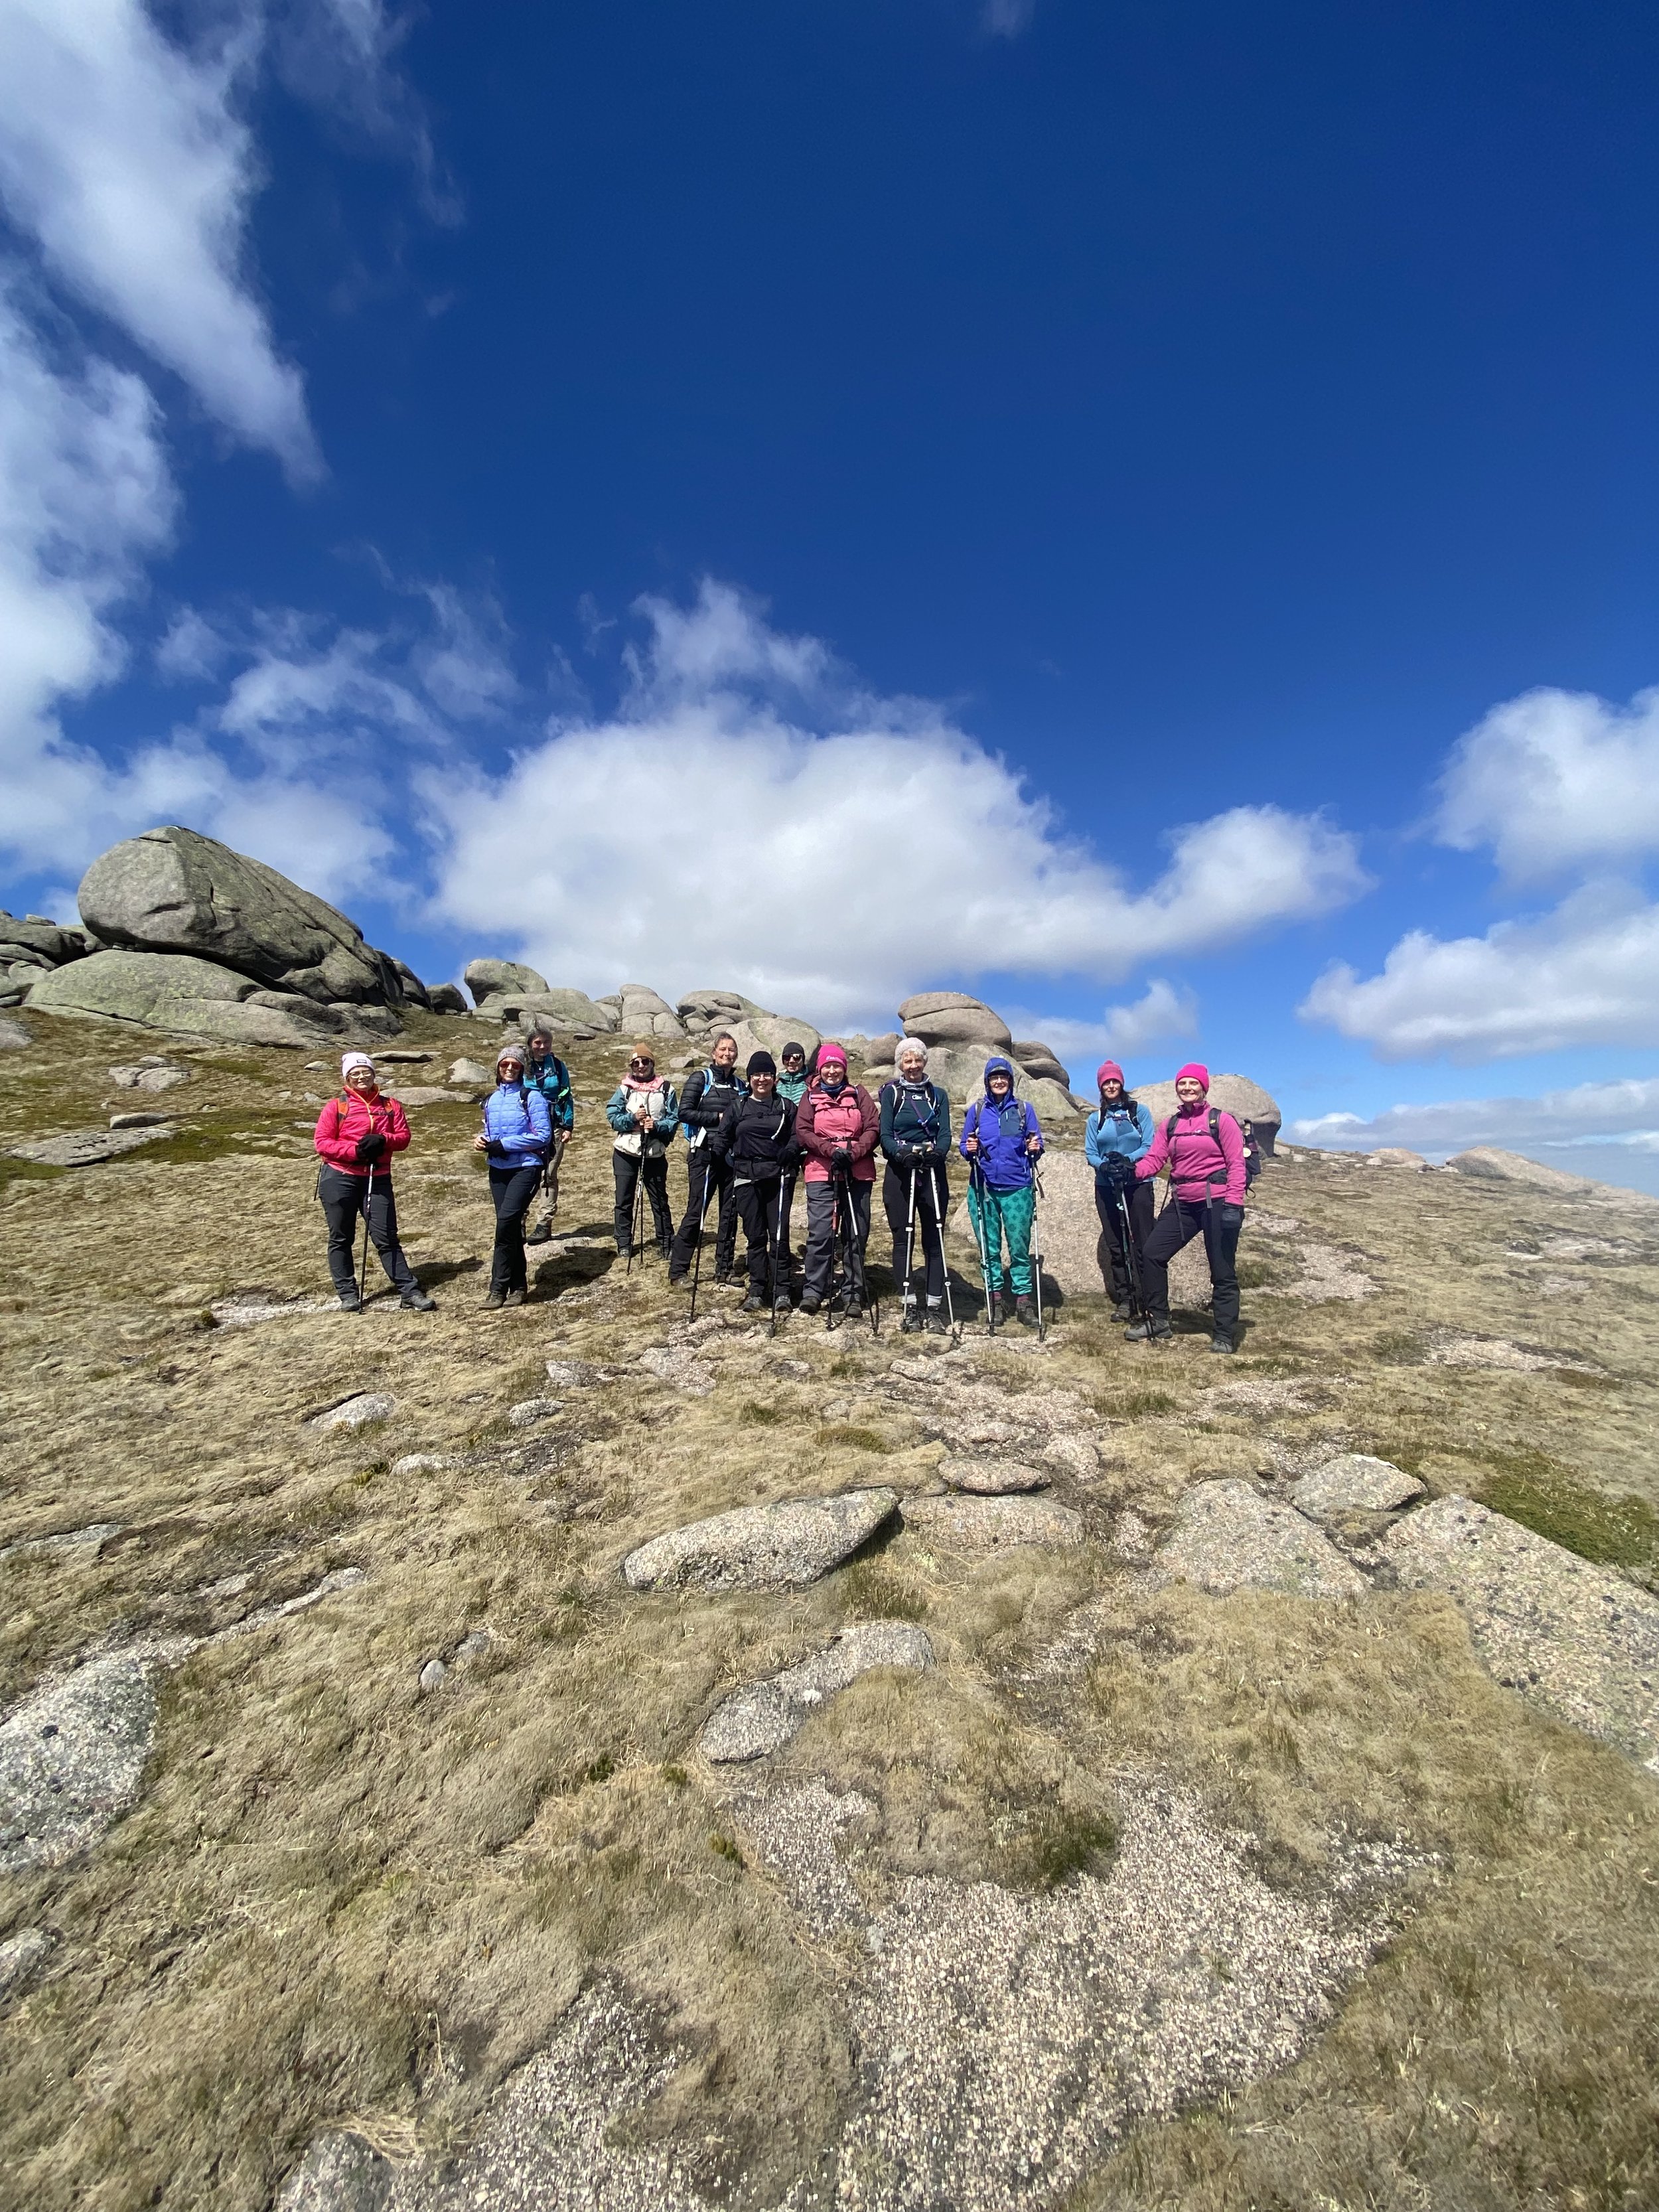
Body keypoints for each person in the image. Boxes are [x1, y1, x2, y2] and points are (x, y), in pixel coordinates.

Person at [1129, 1062, 1246, 1353]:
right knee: (1153, 1253)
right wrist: (1130, 1171)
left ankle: (1224, 1334)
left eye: (1194, 1083)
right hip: (1183, 1202)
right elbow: (1155, 1160)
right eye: (1183, 1084)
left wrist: (1234, 1203)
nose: (1188, 1088)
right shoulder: (1170, 1124)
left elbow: (1236, 1164)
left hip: (1217, 1202)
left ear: (1204, 1088)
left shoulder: (1222, 1121)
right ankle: (1159, 1320)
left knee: (1222, 1269)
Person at [313, 1051, 435, 1312]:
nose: (361, 1076)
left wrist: (383, 1140)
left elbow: (403, 1138)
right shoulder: (337, 1106)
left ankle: (409, 1292)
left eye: (365, 1071)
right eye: (355, 1073)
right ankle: (348, 1294)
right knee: (341, 1237)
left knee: (387, 1237)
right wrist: (354, 1152)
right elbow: (322, 1143)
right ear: (347, 1078)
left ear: (373, 1074)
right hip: (339, 1177)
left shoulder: (391, 1106)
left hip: (376, 1178)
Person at [794, 1039, 879, 1315]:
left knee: (856, 1232)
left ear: (844, 1069)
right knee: (821, 1232)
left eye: (837, 1066)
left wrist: (853, 1153)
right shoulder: (809, 1097)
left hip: (858, 1172)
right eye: (827, 1066)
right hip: (822, 1171)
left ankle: (853, 1292)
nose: (832, 1071)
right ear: (820, 1069)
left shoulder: (859, 1094)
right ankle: (814, 1290)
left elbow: (873, 1128)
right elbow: (804, 1131)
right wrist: (831, 1150)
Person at [711, 1051, 800, 1313]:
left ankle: (782, 1290)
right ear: (749, 1078)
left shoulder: (786, 1107)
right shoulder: (738, 1107)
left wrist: (791, 1150)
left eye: (767, 1075)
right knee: (755, 1236)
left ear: (774, 1078)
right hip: (747, 1178)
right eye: (757, 1075)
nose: (762, 1079)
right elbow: (724, 1136)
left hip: (779, 1177)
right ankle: (758, 1289)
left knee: (780, 1236)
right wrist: (716, 1153)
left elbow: (798, 1135)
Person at [960, 1055, 1044, 1327]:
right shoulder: (977, 1110)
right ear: (987, 1082)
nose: (999, 1081)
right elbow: (964, 1144)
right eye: (994, 1077)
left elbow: (1036, 1140)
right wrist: (968, 1149)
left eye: (1003, 1077)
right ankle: (995, 1300)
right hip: (982, 1187)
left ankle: (1023, 1301)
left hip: (1017, 1186)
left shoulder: (1023, 1109)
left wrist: (1036, 1147)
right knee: (989, 1247)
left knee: (1019, 1248)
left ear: (1010, 1080)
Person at [879, 1037, 953, 1333]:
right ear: (900, 1064)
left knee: (934, 1240)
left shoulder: (939, 1095)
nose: (913, 1066)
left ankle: (934, 1307)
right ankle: (909, 1306)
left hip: (932, 1173)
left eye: (917, 1060)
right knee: (903, 1239)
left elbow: (946, 1133)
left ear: (925, 1061)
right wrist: (900, 1154)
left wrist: (938, 1153)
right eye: (907, 1061)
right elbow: (885, 1135)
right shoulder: (891, 1094)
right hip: (900, 1172)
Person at [472, 1044, 553, 1307]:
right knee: (509, 1227)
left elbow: (543, 1136)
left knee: (506, 1223)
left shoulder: (532, 1097)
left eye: (515, 1065)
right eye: (505, 1065)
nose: (509, 1069)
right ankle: (518, 1287)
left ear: (522, 1070)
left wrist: (505, 1145)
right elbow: (490, 1131)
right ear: (497, 1067)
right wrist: (483, 1141)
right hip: (498, 1169)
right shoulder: (490, 1100)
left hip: (526, 1167)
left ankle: (497, 1288)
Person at [668, 1031, 745, 1283]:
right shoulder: (700, 1078)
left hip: (732, 1157)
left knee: (730, 1213)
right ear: (714, 1053)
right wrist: (718, 1119)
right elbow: (684, 1112)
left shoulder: (740, 1085)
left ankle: (724, 1269)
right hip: (704, 1154)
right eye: (723, 1049)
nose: (727, 1054)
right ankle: (678, 1271)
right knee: (696, 1211)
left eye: (731, 1050)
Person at [1084, 1059, 1155, 1320]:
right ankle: (1125, 1298)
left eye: (1114, 1081)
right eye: (1106, 1082)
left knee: (1143, 1243)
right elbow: (1091, 1152)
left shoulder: (1140, 1112)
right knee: (1116, 1244)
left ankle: (1149, 1298)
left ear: (1122, 1083)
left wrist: (1128, 1161)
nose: (1111, 1086)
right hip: (1107, 1186)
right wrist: (1104, 1167)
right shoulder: (1096, 1118)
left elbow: (1149, 1144)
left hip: (1137, 1184)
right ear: (1101, 1087)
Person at [605, 1046, 679, 1259]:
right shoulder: (624, 1089)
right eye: (636, 1063)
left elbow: (674, 1121)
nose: (641, 1066)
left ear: (652, 1064)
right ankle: (624, 1244)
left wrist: (656, 1126)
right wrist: (632, 1119)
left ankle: (666, 1242)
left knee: (659, 1200)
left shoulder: (666, 1089)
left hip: (654, 1154)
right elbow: (613, 1116)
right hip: (625, 1153)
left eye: (645, 1062)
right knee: (624, 1200)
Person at [523, 1024, 575, 1246]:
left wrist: (568, 1126)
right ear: (530, 1044)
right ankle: (519, 1222)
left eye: (546, 1042)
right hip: (527, 1127)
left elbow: (566, 1095)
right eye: (537, 1042)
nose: (542, 1046)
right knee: (524, 1174)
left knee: (549, 1173)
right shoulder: (521, 1065)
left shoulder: (558, 1066)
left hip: (554, 1126)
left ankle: (544, 1224)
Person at [774, 1041, 809, 1271]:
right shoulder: (776, 1083)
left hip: (808, 1148)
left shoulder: (811, 1082)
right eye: (788, 1057)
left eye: (797, 1057)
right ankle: (780, 1245)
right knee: (782, 1198)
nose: (792, 1061)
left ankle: (826, 1245)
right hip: (785, 1148)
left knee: (819, 1198)